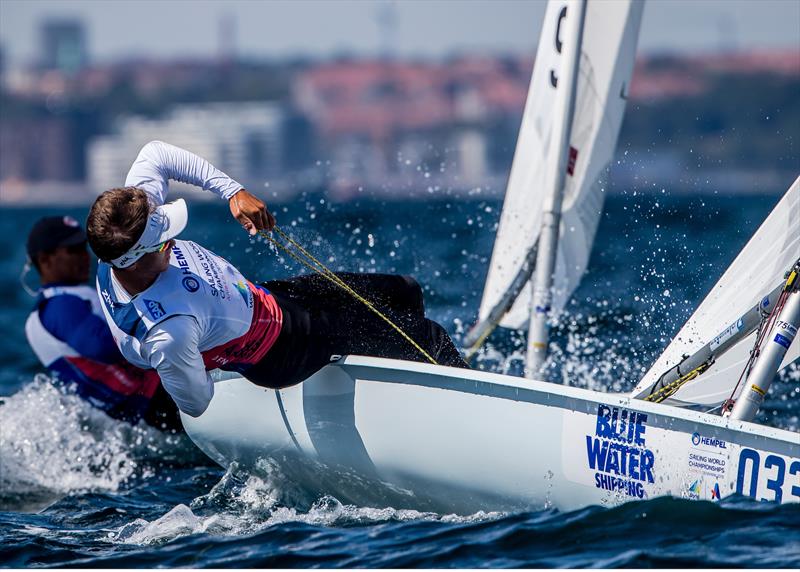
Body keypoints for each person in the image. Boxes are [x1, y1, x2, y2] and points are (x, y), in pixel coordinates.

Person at [86, 140, 467, 418]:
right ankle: (469, 416)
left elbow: (157, 153)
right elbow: (195, 403)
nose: (172, 239)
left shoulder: (124, 229)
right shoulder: (170, 334)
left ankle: (405, 398)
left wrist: (232, 191)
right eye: (163, 241)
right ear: (135, 261)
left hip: (273, 298)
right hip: (285, 349)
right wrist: (203, 352)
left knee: (403, 292)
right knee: (428, 336)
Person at [23, 215, 182, 431]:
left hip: (142, 411)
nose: (85, 256)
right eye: (73, 250)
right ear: (45, 259)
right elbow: (102, 347)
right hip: (155, 401)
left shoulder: (67, 299)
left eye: (83, 246)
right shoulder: (59, 305)